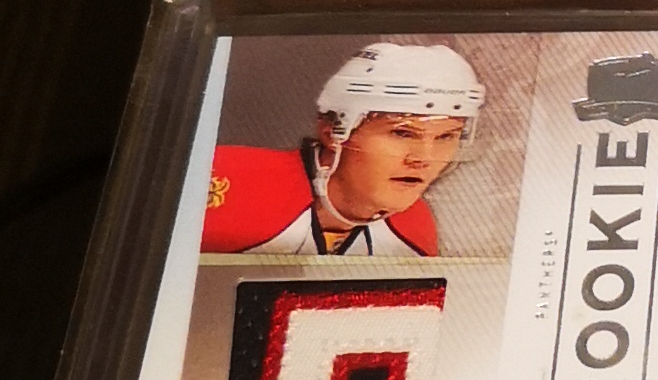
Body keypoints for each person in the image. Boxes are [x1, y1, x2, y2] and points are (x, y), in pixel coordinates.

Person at [202, 41, 482, 256]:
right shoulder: (228, 179)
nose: (424, 159)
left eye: (446, 137)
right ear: (333, 133)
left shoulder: (413, 225)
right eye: (402, 133)